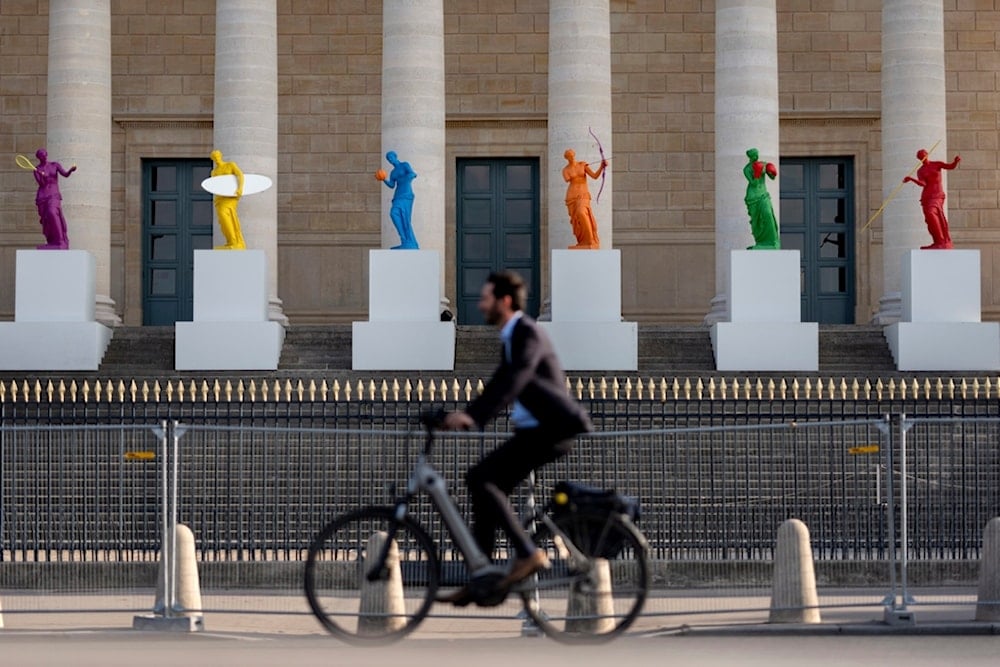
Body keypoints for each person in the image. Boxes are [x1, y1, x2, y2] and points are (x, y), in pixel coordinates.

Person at [437, 270, 593, 606]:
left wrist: (473, 417)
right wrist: (462, 415)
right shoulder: (513, 335)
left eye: (486, 298)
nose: (480, 304)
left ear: (504, 301)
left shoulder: (526, 333)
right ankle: (481, 575)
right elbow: (498, 382)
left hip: (552, 429)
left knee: (481, 479)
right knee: (483, 486)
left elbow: (515, 379)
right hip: (536, 429)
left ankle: (526, 554)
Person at [903, 149, 960, 249]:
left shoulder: (936, 164)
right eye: (920, 156)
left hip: (937, 194)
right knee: (930, 219)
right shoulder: (920, 171)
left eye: (923, 155)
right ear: (919, 159)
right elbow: (923, 184)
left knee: (931, 213)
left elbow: (950, 166)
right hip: (927, 196)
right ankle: (937, 241)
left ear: (927, 154)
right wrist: (911, 179)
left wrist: (955, 162)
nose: (922, 157)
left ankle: (942, 241)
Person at [32, 148, 76, 249]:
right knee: (46, 220)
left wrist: (71, 170)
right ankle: (52, 241)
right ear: (39, 157)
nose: (43, 156)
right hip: (42, 197)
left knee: (52, 212)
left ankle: (61, 241)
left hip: (54, 194)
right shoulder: (36, 169)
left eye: (44, 154)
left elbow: (65, 174)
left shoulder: (54, 165)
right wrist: (41, 175)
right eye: (41, 155)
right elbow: (42, 184)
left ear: (46, 155)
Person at [562, 148, 606, 249]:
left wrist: (601, 166)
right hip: (571, 196)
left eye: (572, 155)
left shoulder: (583, 165)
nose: (571, 157)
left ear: (574, 155)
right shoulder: (565, 170)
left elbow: (595, 176)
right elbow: (567, 179)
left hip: (583, 194)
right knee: (576, 220)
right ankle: (583, 241)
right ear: (566, 158)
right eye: (568, 156)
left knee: (582, 213)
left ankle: (590, 239)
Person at [375, 151, 419, 249]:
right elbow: (391, 185)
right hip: (398, 194)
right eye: (388, 159)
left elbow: (413, 174)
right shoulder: (393, 172)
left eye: (391, 157)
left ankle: (410, 242)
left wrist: (405, 179)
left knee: (405, 218)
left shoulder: (405, 165)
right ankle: (404, 239)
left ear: (395, 157)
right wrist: (383, 179)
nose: (390, 160)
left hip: (407, 194)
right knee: (393, 213)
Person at [744, 147, 780, 250]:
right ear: (750, 157)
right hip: (752, 197)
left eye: (757, 154)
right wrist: (757, 172)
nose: (756, 157)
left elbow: (772, 178)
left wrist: (771, 171)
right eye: (754, 155)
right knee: (756, 221)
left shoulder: (763, 164)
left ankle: (773, 242)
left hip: (763, 195)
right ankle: (760, 242)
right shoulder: (746, 169)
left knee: (768, 214)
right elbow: (754, 183)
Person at [210, 149, 246, 250]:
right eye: (214, 157)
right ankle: (230, 241)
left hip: (230, 197)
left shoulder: (230, 165)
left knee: (226, 215)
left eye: (217, 156)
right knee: (222, 220)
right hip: (219, 198)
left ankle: (235, 241)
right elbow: (214, 186)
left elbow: (240, 175)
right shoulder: (214, 172)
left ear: (220, 156)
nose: (216, 158)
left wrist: (240, 188)